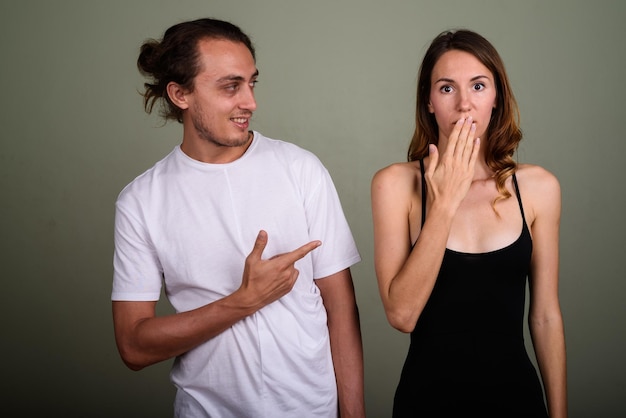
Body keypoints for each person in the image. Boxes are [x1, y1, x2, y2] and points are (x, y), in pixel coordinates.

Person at [111, 18, 365, 418]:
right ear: (180, 94)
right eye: (231, 86)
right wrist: (243, 302)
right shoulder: (141, 200)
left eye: (252, 83)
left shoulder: (301, 169)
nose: (250, 102)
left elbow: (342, 309)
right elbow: (133, 346)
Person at [371, 29, 567, 417]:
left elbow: (545, 315)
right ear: (428, 101)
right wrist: (445, 202)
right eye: (446, 89)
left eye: (478, 86)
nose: (464, 104)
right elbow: (402, 315)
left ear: (496, 98)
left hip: (517, 401)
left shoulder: (539, 187)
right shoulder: (395, 184)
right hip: (425, 401)